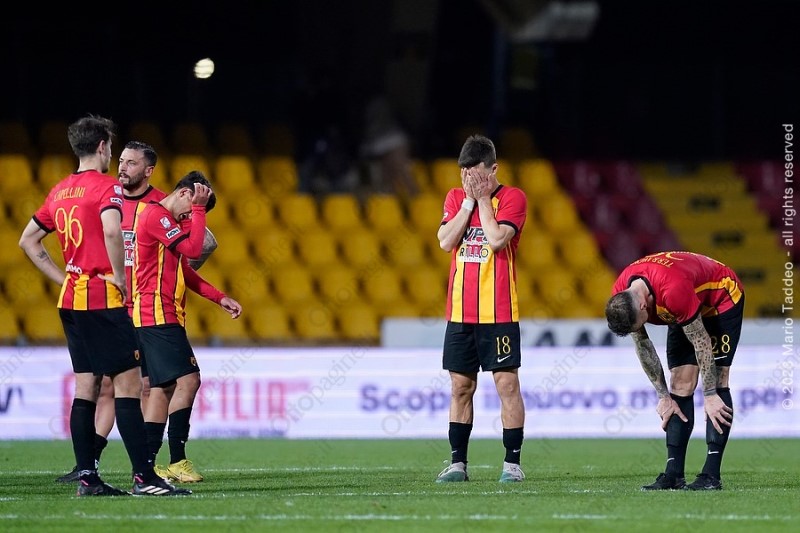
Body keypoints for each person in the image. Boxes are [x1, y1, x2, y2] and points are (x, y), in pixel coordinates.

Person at [19, 114, 189, 496]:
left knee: (87, 388)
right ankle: (144, 478)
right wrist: (119, 277)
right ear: (102, 147)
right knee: (128, 386)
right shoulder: (107, 187)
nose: (113, 155)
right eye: (111, 147)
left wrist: (63, 277)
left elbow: (28, 240)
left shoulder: (60, 191)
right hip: (102, 297)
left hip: (71, 299)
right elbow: (113, 230)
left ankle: (87, 478)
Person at [55, 140, 218, 483]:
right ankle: (91, 463)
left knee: (148, 386)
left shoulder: (158, 206)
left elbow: (196, 248)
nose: (122, 167)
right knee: (104, 387)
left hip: (146, 309)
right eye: (121, 160)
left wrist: (204, 287)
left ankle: (146, 465)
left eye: (131, 163)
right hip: (110, 304)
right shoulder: (106, 197)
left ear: (148, 170)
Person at [131, 171, 242, 483]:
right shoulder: (156, 215)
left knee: (162, 388)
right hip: (156, 312)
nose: (188, 218)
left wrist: (219, 297)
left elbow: (185, 270)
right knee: (189, 380)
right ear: (183, 193)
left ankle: (147, 465)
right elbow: (193, 250)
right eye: (189, 210)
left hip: (158, 314)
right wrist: (198, 209)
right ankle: (176, 460)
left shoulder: (165, 222)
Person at [605, 251, 744, 491]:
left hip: (721, 298)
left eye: (641, 322)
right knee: (679, 383)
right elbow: (643, 345)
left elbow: (701, 342)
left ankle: (711, 475)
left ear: (642, 305)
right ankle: (674, 474)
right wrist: (663, 396)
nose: (642, 326)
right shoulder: (622, 295)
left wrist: (710, 395)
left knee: (718, 379)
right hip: (686, 303)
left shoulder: (673, 291)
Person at [434, 134, 528, 483]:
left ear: (493, 169)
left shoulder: (513, 197)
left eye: (476, 174)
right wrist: (468, 203)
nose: (469, 180)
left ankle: (512, 465)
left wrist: (484, 198)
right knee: (460, 387)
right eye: (464, 174)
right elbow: (445, 241)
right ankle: (458, 464)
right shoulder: (455, 198)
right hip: (460, 313)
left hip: (499, 313)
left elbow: (497, 239)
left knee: (507, 386)